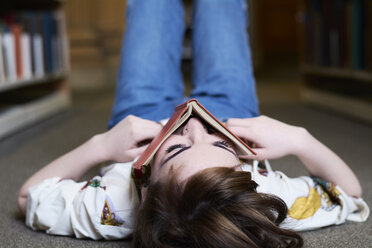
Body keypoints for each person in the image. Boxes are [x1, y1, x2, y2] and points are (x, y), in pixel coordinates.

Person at [17, 0, 369, 247]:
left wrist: (101, 146)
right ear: (249, 172)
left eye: (178, 148)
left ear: (143, 181)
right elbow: (350, 191)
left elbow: (28, 195)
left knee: (150, 8)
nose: (193, 125)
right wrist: (299, 139)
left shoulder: (117, 207)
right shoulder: (266, 202)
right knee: (222, 7)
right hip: (230, 116)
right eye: (219, 146)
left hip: (140, 123)